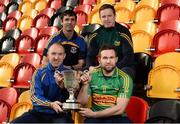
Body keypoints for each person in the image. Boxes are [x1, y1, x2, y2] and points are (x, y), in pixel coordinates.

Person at [11, 42, 73, 123]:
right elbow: (35, 96)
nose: (56, 57)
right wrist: (50, 104)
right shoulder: (39, 72)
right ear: (48, 55)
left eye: (60, 54)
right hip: (38, 114)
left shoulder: (70, 73)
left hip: (60, 114)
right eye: (53, 54)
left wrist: (63, 87)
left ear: (64, 56)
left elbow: (72, 96)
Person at [78, 44, 133, 123]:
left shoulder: (125, 78)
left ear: (116, 59)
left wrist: (94, 114)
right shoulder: (92, 75)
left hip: (117, 118)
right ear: (99, 60)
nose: (108, 61)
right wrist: (85, 85)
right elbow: (81, 102)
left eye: (111, 57)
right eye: (105, 58)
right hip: (95, 120)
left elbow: (120, 109)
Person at [86, 4, 135, 79]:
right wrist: (90, 67)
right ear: (100, 18)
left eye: (109, 16)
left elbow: (128, 56)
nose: (106, 19)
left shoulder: (123, 32)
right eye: (104, 16)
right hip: (102, 68)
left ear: (115, 16)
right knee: (82, 74)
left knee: (124, 73)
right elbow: (90, 56)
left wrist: (113, 68)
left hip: (121, 67)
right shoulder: (95, 35)